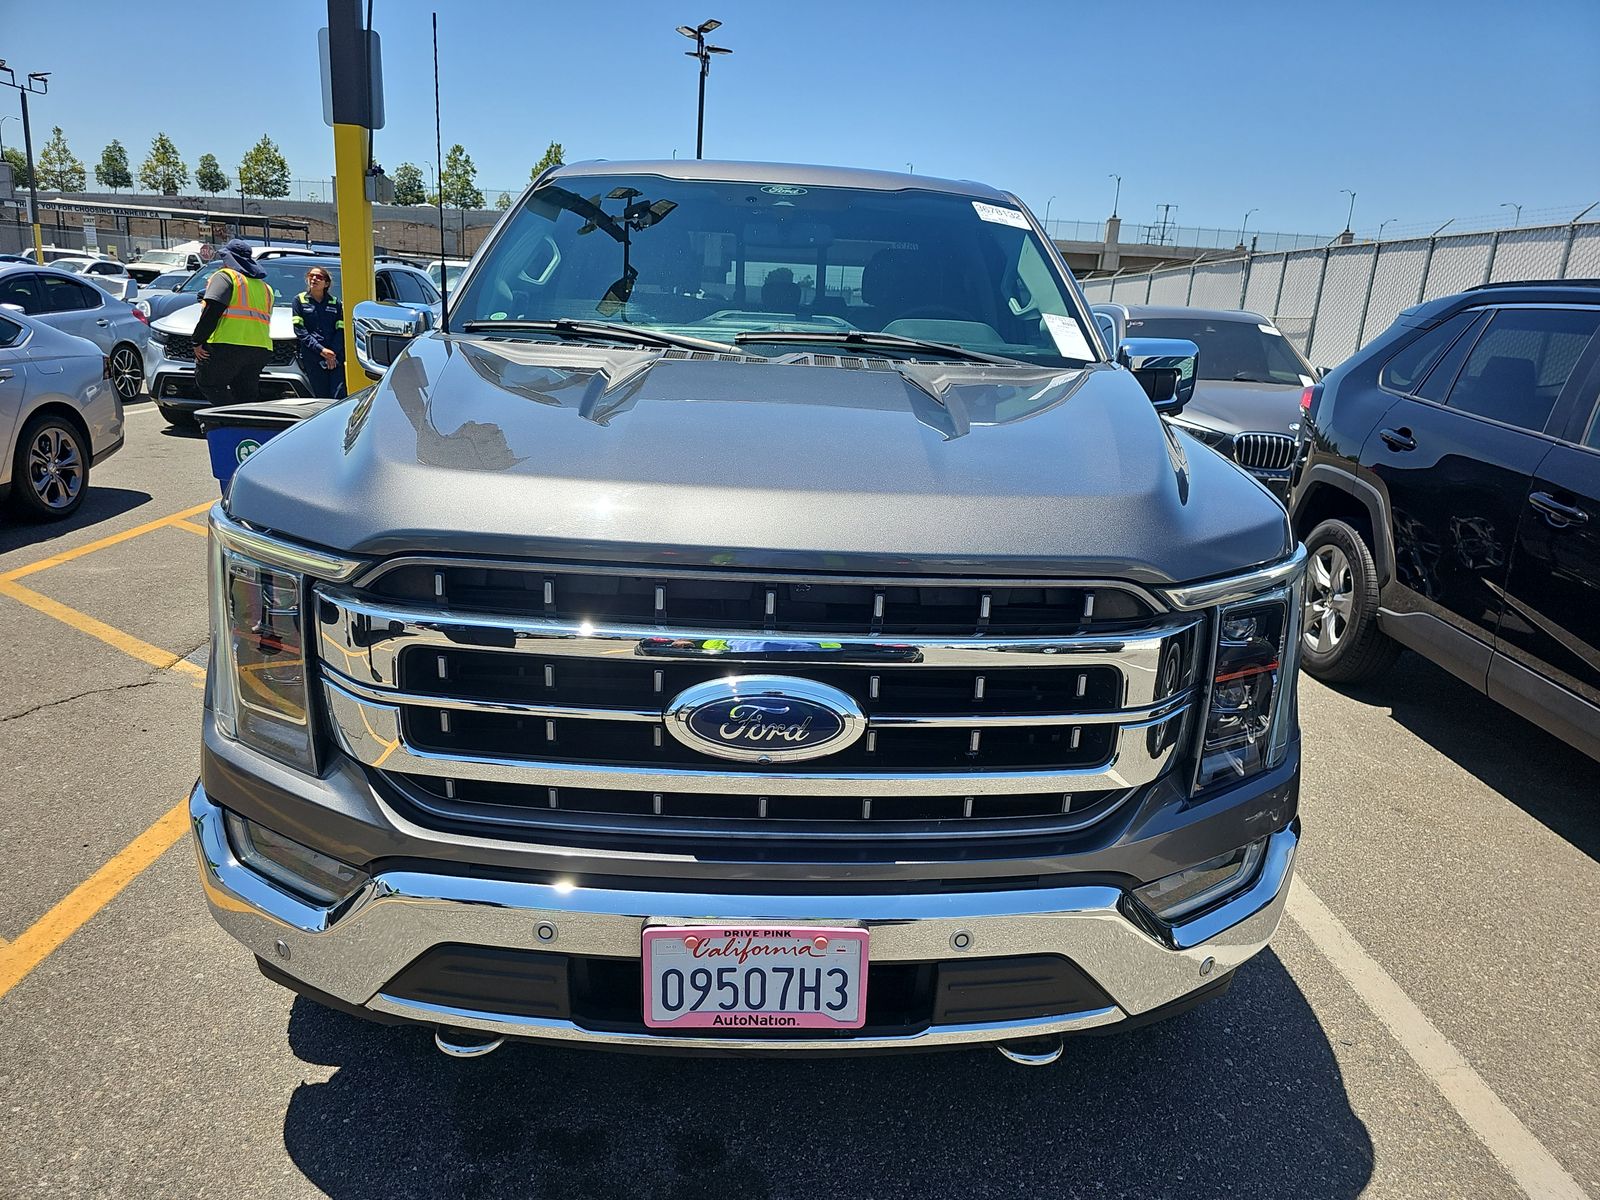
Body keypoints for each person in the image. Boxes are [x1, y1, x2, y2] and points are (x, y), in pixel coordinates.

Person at [192, 239, 274, 406]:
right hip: (260, 349)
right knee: (245, 394)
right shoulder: (264, 287)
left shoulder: (226, 277)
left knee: (210, 383)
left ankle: (227, 421)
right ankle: (244, 426)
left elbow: (212, 309)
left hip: (226, 345)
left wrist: (198, 340)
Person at [290, 266, 347, 399]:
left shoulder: (335, 303)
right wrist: (321, 350)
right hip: (313, 356)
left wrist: (332, 353)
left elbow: (341, 330)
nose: (314, 279)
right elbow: (300, 331)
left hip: (335, 356)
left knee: (338, 395)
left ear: (326, 283)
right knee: (320, 396)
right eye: (311, 276)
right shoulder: (299, 300)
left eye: (319, 277)